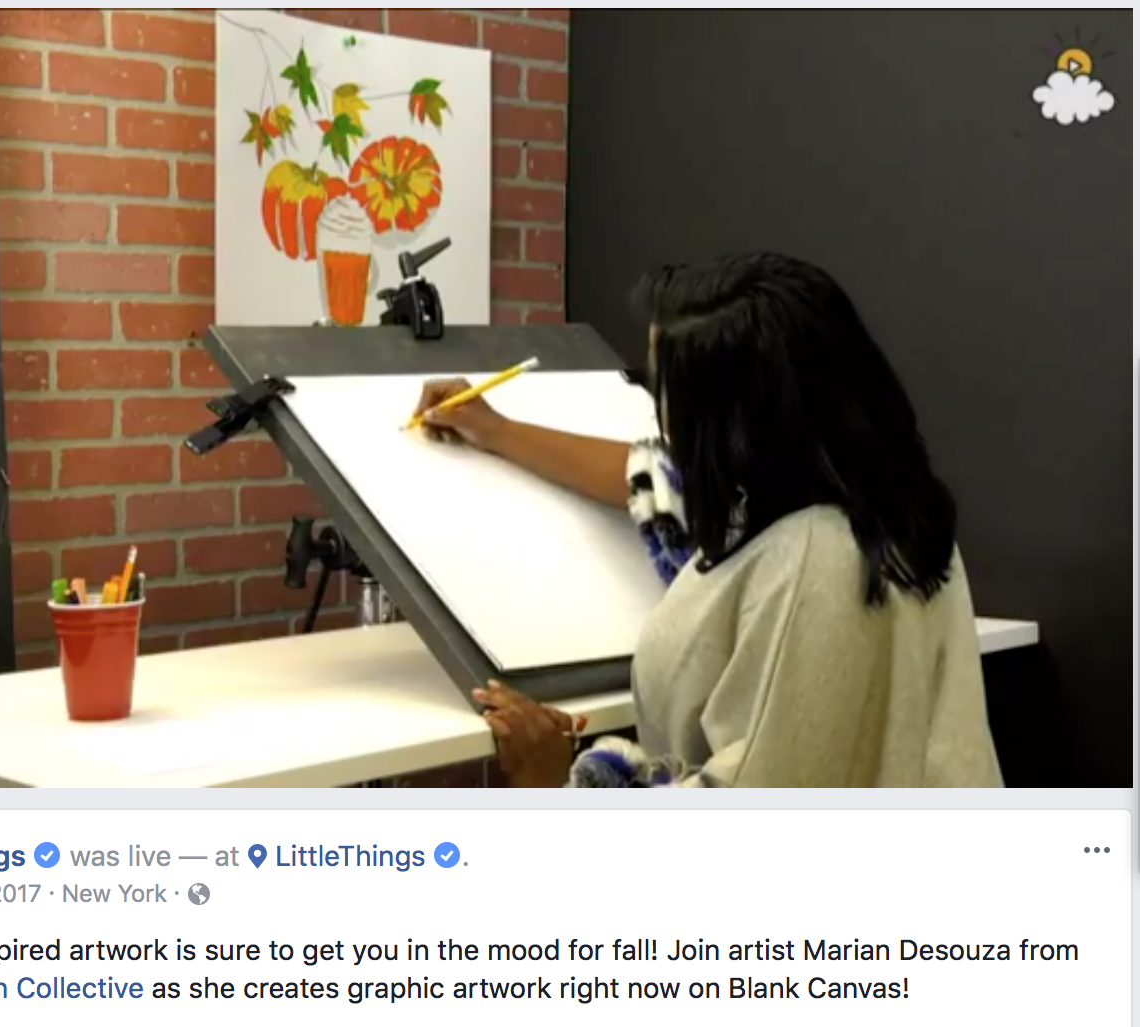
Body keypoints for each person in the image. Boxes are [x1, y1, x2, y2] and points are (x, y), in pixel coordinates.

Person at [416, 253, 1003, 788]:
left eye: (665, 391)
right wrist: (496, 431)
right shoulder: (880, 505)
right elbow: (650, 477)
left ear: (729, 423)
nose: (660, 416)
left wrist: (554, 781)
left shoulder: (812, 563)